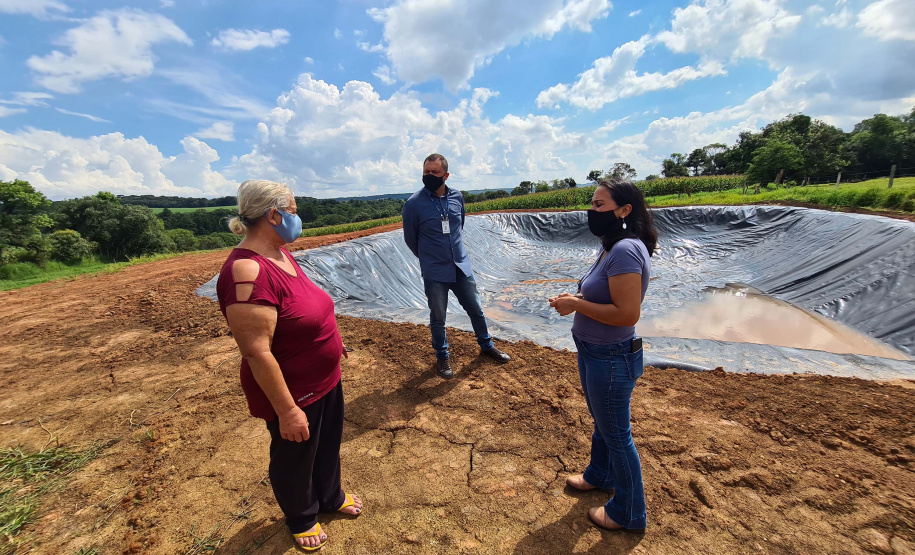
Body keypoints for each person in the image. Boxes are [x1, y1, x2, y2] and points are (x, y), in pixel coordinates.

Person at [216, 180, 362, 551]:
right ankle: (301, 516)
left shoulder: (280, 253)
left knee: (326, 446)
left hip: (325, 379)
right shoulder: (246, 271)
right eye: (294, 211)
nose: (298, 218)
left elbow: (303, 308)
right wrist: (287, 411)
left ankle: (330, 496)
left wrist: (333, 339)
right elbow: (256, 351)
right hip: (294, 392)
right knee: (296, 457)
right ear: (274, 214)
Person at [548, 178, 657, 534]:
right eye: (592, 203)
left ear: (624, 211)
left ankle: (628, 513)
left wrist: (577, 304)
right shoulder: (612, 247)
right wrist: (577, 300)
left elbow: (627, 314)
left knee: (616, 434)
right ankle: (601, 474)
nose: (591, 211)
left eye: (599, 205)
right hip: (595, 352)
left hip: (610, 357)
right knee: (603, 421)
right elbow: (602, 298)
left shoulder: (625, 249)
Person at [402, 153, 511, 378]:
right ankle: (442, 357)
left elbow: (459, 224)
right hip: (435, 271)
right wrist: (428, 258)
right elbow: (411, 239)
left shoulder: (457, 197)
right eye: (426, 172)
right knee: (438, 317)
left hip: (460, 266)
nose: (429, 176)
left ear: (446, 175)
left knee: (476, 309)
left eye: (435, 172)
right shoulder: (414, 204)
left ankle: (487, 345)